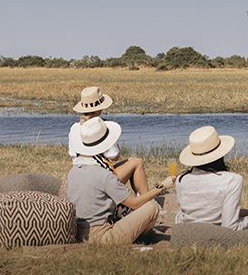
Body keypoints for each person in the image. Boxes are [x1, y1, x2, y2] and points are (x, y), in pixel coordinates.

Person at [67, 86, 174, 244]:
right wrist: (161, 187)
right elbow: (135, 203)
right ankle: (145, 232)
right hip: (102, 237)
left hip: (80, 231)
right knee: (151, 207)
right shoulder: (105, 176)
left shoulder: (73, 171)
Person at [175, 126, 248, 230]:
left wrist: (247, 213)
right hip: (215, 235)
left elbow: (200, 212)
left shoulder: (181, 180)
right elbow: (230, 226)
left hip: (185, 232)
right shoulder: (233, 180)